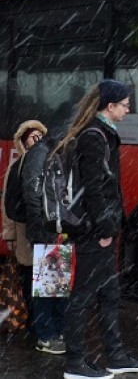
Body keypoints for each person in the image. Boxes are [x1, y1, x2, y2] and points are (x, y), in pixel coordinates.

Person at [58, 80, 138, 379]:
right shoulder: (94, 136)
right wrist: (104, 226)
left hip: (100, 228)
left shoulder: (101, 133)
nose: (128, 109)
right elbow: (94, 188)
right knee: (83, 296)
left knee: (110, 294)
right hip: (93, 231)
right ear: (109, 106)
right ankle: (75, 362)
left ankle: (116, 356)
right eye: (125, 104)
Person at [1, 120, 67, 354]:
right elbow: (9, 203)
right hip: (28, 232)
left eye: (40, 135)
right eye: (32, 136)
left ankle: (45, 329)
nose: (36, 139)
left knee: (46, 284)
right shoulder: (20, 165)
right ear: (23, 140)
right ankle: (43, 331)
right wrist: (9, 234)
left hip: (43, 231)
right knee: (38, 283)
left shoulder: (49, 160)